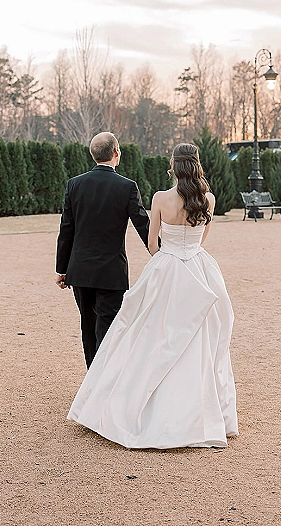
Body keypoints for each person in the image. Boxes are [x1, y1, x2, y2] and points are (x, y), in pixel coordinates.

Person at [67, 142, 238, 449]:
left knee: (151, 334)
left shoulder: (161, 197)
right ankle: (196, 408)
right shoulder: (208, 199)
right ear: (197, 164)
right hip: (199, 268)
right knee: (199, 337)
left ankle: (134, 403)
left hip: (166, 267)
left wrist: (164, 261)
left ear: (173, 165)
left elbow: (151, 242)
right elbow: (202, 240)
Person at [55, 132, 150, 368]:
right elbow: (142, 225)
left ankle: (92, 383)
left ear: (93, 154)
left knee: (88, 326)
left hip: (80, 271)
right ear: (116, 152)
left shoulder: (75, 184)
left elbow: (66, 229)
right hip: (111, 272)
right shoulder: (127, 186)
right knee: (109, 329)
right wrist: (164, 252)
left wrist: (62, 268)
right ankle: (103, 386)